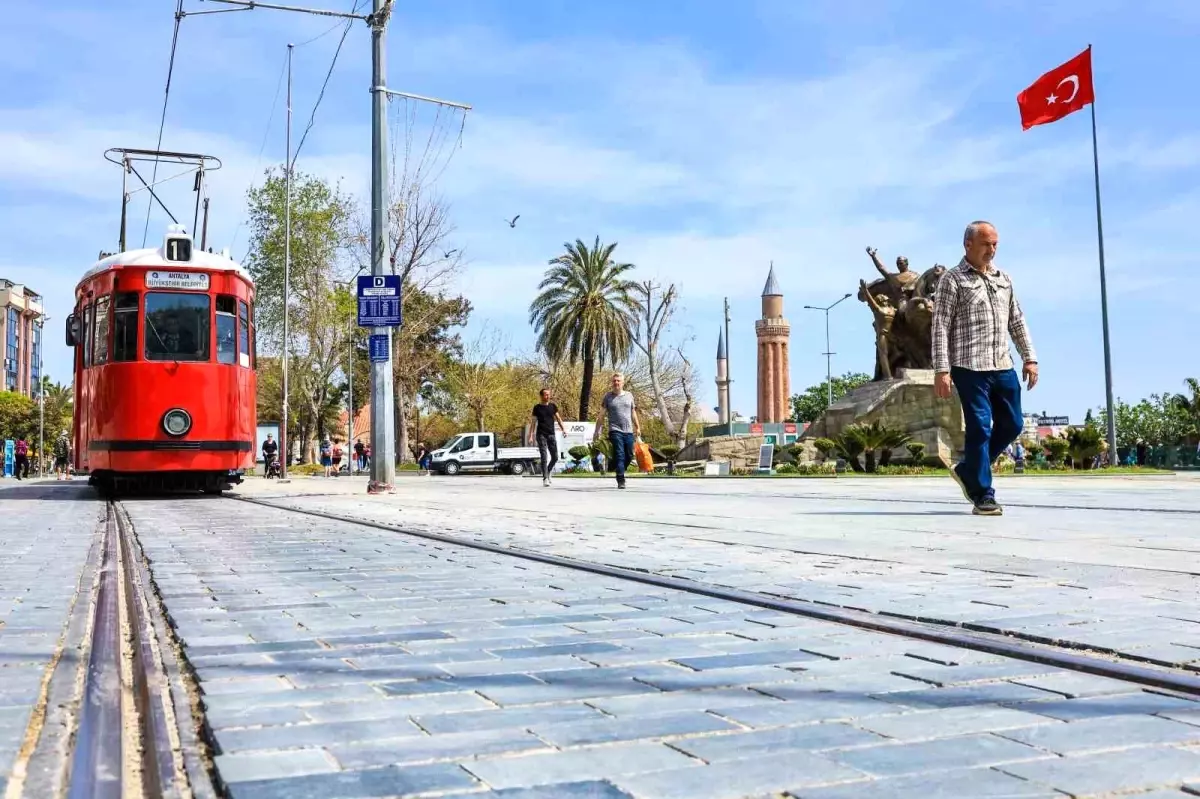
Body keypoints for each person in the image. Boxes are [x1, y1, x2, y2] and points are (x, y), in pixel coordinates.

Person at [933, 220, 1038, 516]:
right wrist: (942, 369)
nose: (991, 250)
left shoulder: (1003, 279)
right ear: (968, 245)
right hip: (968, 366)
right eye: (985, 244)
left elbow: (1016, 320)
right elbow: (940, 326)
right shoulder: (952, 280)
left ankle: (968, 469)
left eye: (995, 245)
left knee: (1013, 424)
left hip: (1002, 365)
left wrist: (1030, 357)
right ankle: (983, 494)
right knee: (979, 427)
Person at [593, 372, 641, 489]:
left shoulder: (629, 396)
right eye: (614, 381)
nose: (616, 383)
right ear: (612, 383)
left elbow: (633, 412)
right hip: (615, 430)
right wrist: (596, 431)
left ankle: (619, 469)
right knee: (620, 454)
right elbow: (601, 415)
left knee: (629, 455)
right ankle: (621, 479)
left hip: (628, 431)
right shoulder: (608, 397)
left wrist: (638, 427)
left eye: (618, 381)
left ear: (623, 382)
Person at [531, 388, 568, 486]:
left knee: (555, 457)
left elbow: (559, 419)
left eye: (549, 394)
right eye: (546, 395)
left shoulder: (553, 406)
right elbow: (533, 423)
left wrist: (563, 429)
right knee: (544, 457)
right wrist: (531, 436)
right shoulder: (537, 408)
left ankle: (548, 470)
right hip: (541, 434)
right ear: (541, 396)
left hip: (551, 434)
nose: (548, 396)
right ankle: (545, 478)